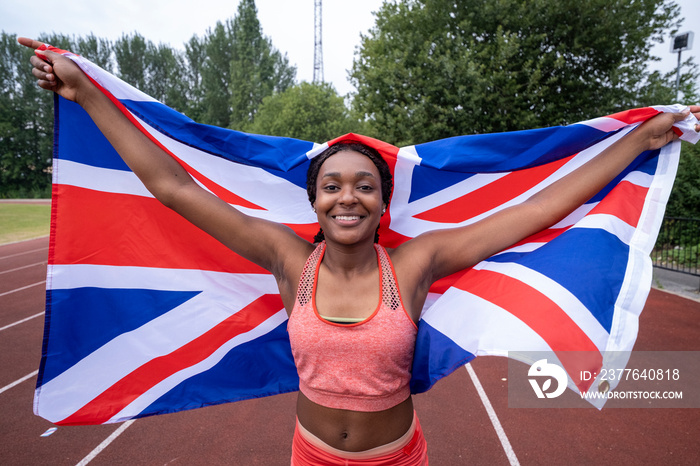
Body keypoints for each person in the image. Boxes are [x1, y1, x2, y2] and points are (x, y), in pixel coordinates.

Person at [19, 37, 700, 465]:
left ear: (381, 202)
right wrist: (85, 91)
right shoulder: (290, 260)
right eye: (333, 186)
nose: (348, 198)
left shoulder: (416, 263)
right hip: (310, 456)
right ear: (314, 200)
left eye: (364, 186)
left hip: (398, 458)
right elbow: (170, 185)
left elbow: (533, 211)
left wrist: (636, 143)